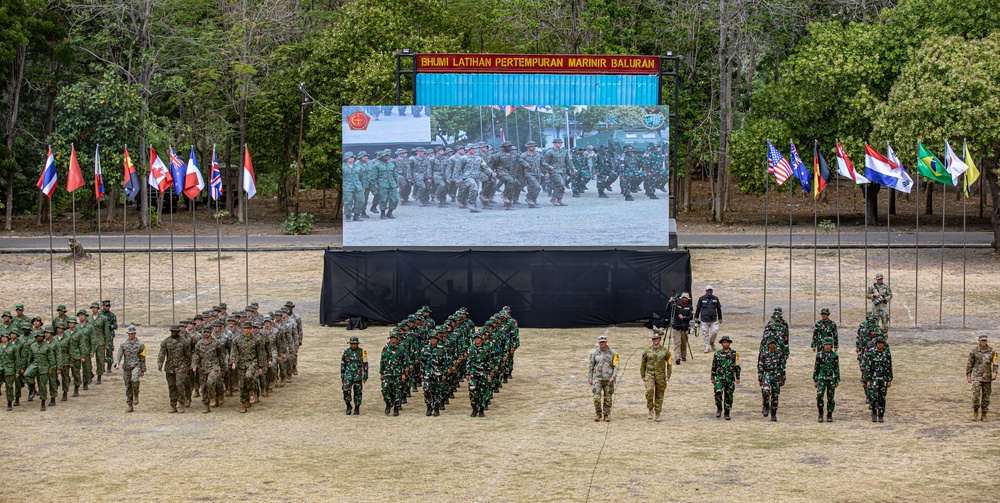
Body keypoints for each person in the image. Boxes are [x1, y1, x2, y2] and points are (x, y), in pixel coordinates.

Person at [231, 321, 265, 413]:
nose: (246, 330)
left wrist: (261, 366)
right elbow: (233, 352)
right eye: (245, 328)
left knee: (249, 377)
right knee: (242, 385)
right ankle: (244, 403)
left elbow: (260, 354)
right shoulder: (237, 339)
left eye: (248, 328)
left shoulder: (257, 339)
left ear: (251, 329)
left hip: (252, 362)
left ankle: (252, 390)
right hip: (241, 364)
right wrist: (233, 362)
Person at [639, 330, 672, 422]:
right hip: (649, 374)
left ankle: (657, 412)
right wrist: (642, 375)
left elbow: (669, 364)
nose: (655, 340)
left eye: (657, 339)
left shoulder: (665, 351)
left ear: (660, 339)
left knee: (659, 394)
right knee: (649, 390)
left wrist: (668, 375)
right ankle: (650, 408)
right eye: (654, 339)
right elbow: (643, 364)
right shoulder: (647, 351)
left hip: (661, 375)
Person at [158, 325, 192, 413]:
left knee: (179, 384)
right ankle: (173, 405)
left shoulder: (184, 341)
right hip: (170, 367)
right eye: (172, 331)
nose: (174, 333)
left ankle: (181, 402)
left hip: (181, 366)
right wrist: (160, 363)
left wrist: (188, 366)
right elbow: (162, 353)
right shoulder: (166, 341)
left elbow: (188, 355)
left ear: (178, 332)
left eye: (175, 331)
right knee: (171, 386)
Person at [193, 326, 226, 413]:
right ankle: (206, 405)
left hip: (214, 367)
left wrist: (223, 367)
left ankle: (213, 397)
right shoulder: (199, 343)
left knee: (211, 382)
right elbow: (196, 355)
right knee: (204, 387)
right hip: (202, 368)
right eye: (204, 332)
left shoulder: (216, 343)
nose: (205, 334)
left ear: (210, 332)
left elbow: (220, 356)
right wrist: (194, 365)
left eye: (207, 332)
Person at [113, 324, 146, 413]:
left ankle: (136, 394)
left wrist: (143, 370)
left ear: (135, 334)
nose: (130, 335)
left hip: (136, 366)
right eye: (129, 333)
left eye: (132, 333)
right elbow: (119, 354)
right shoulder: (123, 344)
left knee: (135, 380)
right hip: (127, 367)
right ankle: (130, 405)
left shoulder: (141, 345)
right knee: (128, 386)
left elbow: (143, 358)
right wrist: (116, 363)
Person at [588, 334, 619, 422]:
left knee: (608, 398)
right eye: (600, 342)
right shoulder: (595, 353)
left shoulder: (613, 353)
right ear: (598, 343)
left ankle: (606, 415)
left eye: (603, 342)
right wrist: (590, 378)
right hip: (597, 379)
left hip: (609, 379)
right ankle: (598, 414)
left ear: (606, 342)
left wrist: (613, 377)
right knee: (596, 398)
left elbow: (616, 366)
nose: (602, 344)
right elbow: (591, 366)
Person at [966, 335, 998, 422]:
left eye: (985, 341)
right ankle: (975, 412)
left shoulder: (992, 351)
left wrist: (995, 373)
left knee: (986, 397)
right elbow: (970, 364)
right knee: (976, 395)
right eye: (982, 341)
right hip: (977, 377)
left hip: (987, 377)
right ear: (979, 341)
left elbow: (995, 363)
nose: (984, 342)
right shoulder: (974, 351)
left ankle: (984, 414)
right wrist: (968, 376)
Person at [24, 329, 57, 411]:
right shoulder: (33, 346)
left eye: (40, 336)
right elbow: (30, 359)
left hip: (44, 367)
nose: (39, 337)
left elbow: (52, 360)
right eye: (37, 336)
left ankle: (43, 403)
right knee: (26, 375)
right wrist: (29, 366)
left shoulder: (47, 347)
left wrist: (50, 369)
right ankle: (32, 388)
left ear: (43, 337)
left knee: (42, 386)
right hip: (35, 365)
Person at [862, 336, 892, 423]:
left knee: (882, 397)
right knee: (874, 396)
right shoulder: (871, 353)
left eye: (881, 343)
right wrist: (868, 380)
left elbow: (889, 367)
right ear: (876, 344)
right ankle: (874, 412)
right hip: (874, 378)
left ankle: (881, 414)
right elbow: (868, 367)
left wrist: (889, 379)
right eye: (878, 343)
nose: (880, 345)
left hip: (883, 378)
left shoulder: (887, 354)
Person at [710, 335, 740, 420]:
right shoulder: (717, 354)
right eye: (724, 342)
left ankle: (727, 412)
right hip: (719, 377)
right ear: (721, 344)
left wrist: (738, 377)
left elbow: (737, 366)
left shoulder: (735, 354)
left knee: (729, 395)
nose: (725, 344)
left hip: (730, 378)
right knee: (718, 392)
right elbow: (714, 366)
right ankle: (719, 408)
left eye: (727, 342)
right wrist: (713, 377)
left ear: (729, 343)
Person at [757, 338, 785, 421]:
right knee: (765, 391)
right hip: (767, 374)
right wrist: (760, 378)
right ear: (768, 344)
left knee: (775, 395)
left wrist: (783, 378)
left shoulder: (779, 354)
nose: (772, 345)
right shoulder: (763, 353)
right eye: (771, 343)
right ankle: (765, 405)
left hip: (777, 375)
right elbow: (760, 365)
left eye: (773, 343)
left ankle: (773, 413)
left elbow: (782, 366)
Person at [380, 330, 407, 416]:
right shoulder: (385, 348)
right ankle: (388, 404)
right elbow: (382, 361)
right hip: (387, 373)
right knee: (384, 389)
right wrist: (381, 372)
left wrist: (404, 373)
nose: (392, 340)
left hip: (397, 374)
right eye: (391, 338)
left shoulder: (401, 348)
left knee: (397, 391)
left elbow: (405, 362)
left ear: (397, 339)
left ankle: (396, 407)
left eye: (394, 338)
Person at [813, 338, 840, 423]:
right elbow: (816, 367)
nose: (827, 346)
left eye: (828, 345)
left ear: (831, 345)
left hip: (831, 378)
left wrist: (837, 379)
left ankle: (829, 414)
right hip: (821, 378)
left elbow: (836, 368)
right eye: (825, 345)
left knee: (831, 397)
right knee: (820, 395)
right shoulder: (819, 355)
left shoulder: (834, 355)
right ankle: (820, 413)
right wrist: (815, 379)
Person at [341, 336, 368, 415]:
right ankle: (348, 405)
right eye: (352, 344)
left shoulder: (362, 351)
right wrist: (342, 376)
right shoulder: (346, 352)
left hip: (358, 375)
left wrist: (365, 375)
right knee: (346, 390)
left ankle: (357, 407)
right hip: (348, 374)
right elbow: (343, 364)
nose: (353, 345)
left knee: (358, 392)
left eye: (355, 344)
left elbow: (365, 364)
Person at [695, 286, 723, 353]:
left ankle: (711, 342)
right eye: (708, 290)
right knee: (705, 334)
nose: (709, 292)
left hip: (713, 319)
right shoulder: (701, 298)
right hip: (704, 319)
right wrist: (696, 317)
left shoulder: (715, 298)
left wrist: (720, 318)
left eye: (710, 290)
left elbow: (718, 308)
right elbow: (698, 308)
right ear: (706, 290)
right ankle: (707, 347)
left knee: (715, 331)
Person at [667, 293, 693, 364]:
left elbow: (691, 317)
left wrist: (684, 317)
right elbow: (667, 309)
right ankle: (677, 357)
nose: (684, 300)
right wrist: (670, 302)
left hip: (684, 327)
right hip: (676, 326)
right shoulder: (676, 306)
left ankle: (683, 355)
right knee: (677, 342)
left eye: (686, 299)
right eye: (683, 298)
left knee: (684, 342)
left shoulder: (689, 307)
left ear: (688, 300)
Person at [1, 332, 17, 410]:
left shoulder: (13, 347)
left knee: (9, 386)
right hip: (0, 368)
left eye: (5, 337)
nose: (3, 338)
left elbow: (17, 360)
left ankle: (9, 402)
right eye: (2, 337)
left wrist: (17, 371)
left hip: (9, 369)